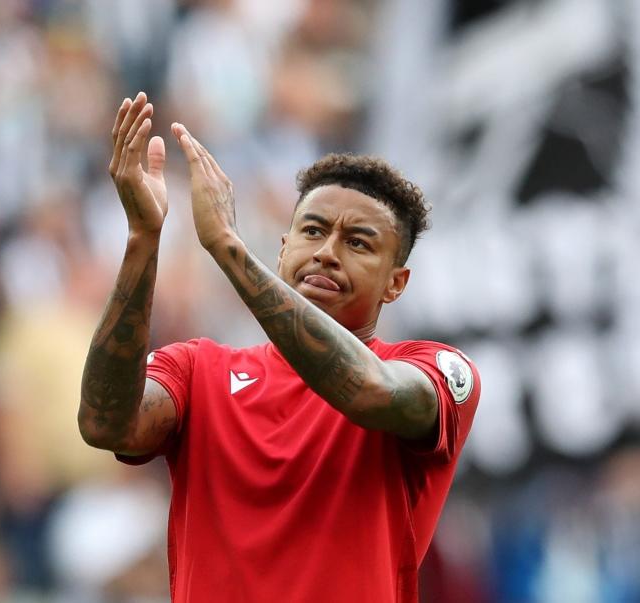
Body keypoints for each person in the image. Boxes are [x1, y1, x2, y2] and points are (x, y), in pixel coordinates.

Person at [78, 92, 481, 602]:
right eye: (312, 231)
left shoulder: (435, 370)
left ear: (395, 283)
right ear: (285, 247)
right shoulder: (197, 369)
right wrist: (142, 237)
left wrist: (228, 247)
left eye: (358, 242)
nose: (327, 253)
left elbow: (370, 391)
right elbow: (105, 424)